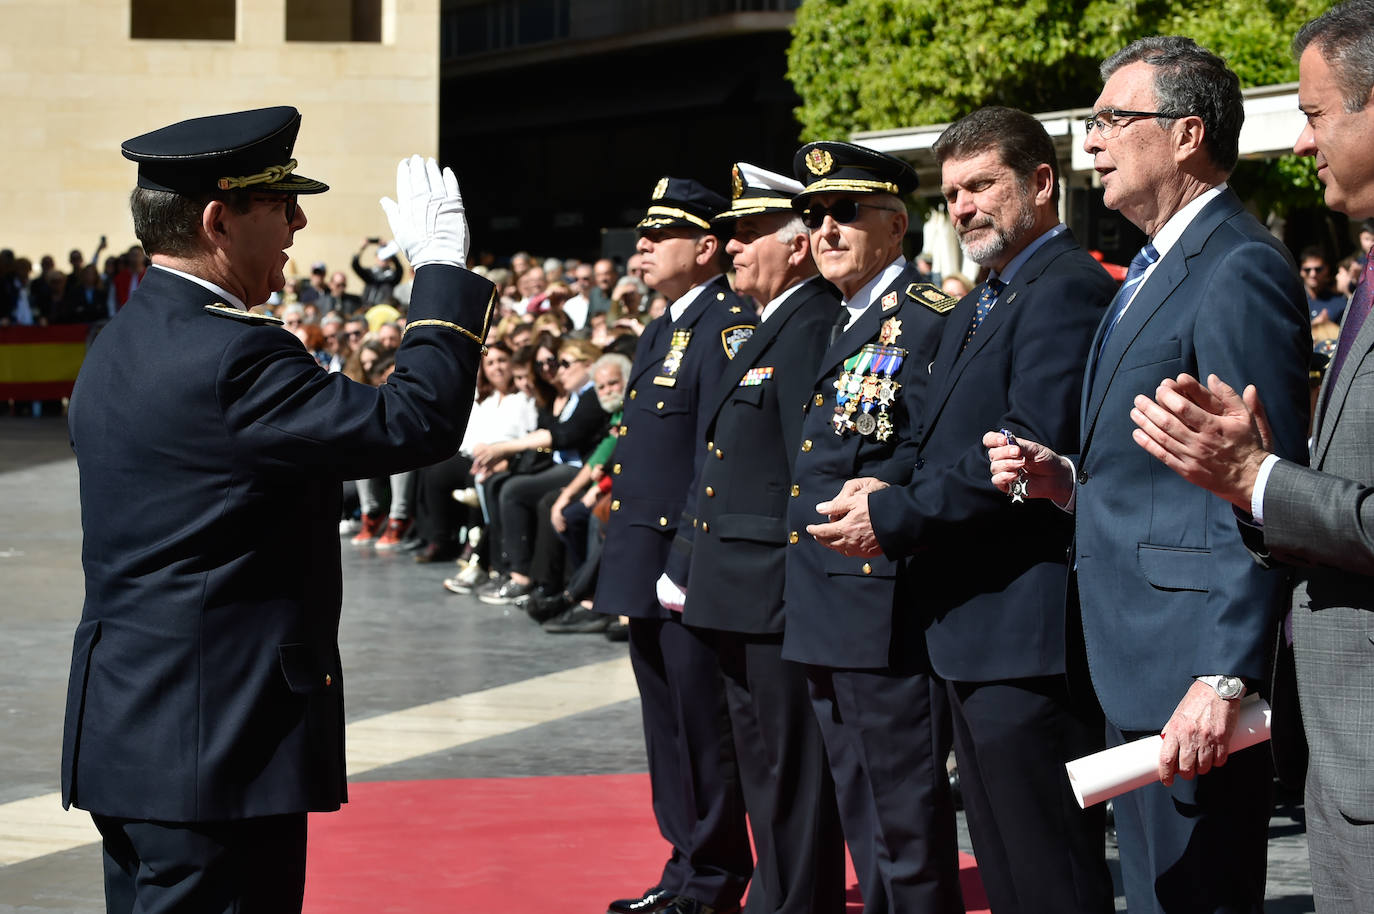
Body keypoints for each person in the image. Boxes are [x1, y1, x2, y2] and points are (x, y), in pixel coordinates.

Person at [59, 107, 492, 914]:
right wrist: (440, 273)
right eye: (279, 204)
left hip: (133, 731)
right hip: (215, 746)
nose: (299, 221)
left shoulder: (117, 340)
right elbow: (415, 422)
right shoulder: (235, 355)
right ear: (218, 221)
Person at [984, 38, 1311, 914]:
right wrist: (1070, 483)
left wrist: (1228, 672)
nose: (1091, 142)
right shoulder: (1151, 267)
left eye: (1113, 121)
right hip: (1131, 654)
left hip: (1190, 672)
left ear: (1186, 134)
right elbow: (1166, 473)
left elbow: (1261, 488)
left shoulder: (1237, 266)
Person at [808, 109, 1116, 913]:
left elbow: (1021, 451)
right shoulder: (991, 296)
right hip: (971, 631)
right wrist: (885, 489)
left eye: (982, 185)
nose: (966, 206)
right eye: (953, 193)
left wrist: (897, 515)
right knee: (1010, 866)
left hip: (1024, 631)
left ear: (1042, 184)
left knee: (1050, 872)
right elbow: (944, 441)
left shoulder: (1063, 288)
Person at [1127, 4, 1374, 908]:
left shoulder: (1236, 264)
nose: (1301, 144)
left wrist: (1258, 480)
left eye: (1315, 114)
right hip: (1344, 747)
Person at [656, 161, 846, 914]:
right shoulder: (773, 324)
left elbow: (812, 469)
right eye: (730, 235)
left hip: (773, 591)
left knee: (790, 770)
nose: (731, 248)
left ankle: (797, 898)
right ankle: (777, 892)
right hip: (735, 590)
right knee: (760, 765)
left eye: (748, 234)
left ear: (796, 246)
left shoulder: (808, 328)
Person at [781, 140, 962, 914]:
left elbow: (942, 451)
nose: (825, 229)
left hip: (886, 600)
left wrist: (885, 490)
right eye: (814, 214)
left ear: (896, 226)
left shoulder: (927, 321)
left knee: (905, 817)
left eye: (844, 212)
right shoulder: (833, 320)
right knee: (861, 806)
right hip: (827, 601)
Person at [596, 176, 756, 914]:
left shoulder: (725, 323)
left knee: (702, 728)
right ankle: (683, 862)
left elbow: (711, 455)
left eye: (661, 235)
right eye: (642, 235)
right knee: (665, 728)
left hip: (680, 563)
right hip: (642, 558)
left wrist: (687, 560)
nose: (644, 246)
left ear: (707, 246)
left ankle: (717, 876)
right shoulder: (663, 325)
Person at [1301, 246, 1348, 323]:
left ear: (1326, 270)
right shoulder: (1293, 301)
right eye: (1307, 270)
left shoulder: (1339, 303)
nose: (1313, 274)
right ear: (1301, 272)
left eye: (1318, 269)